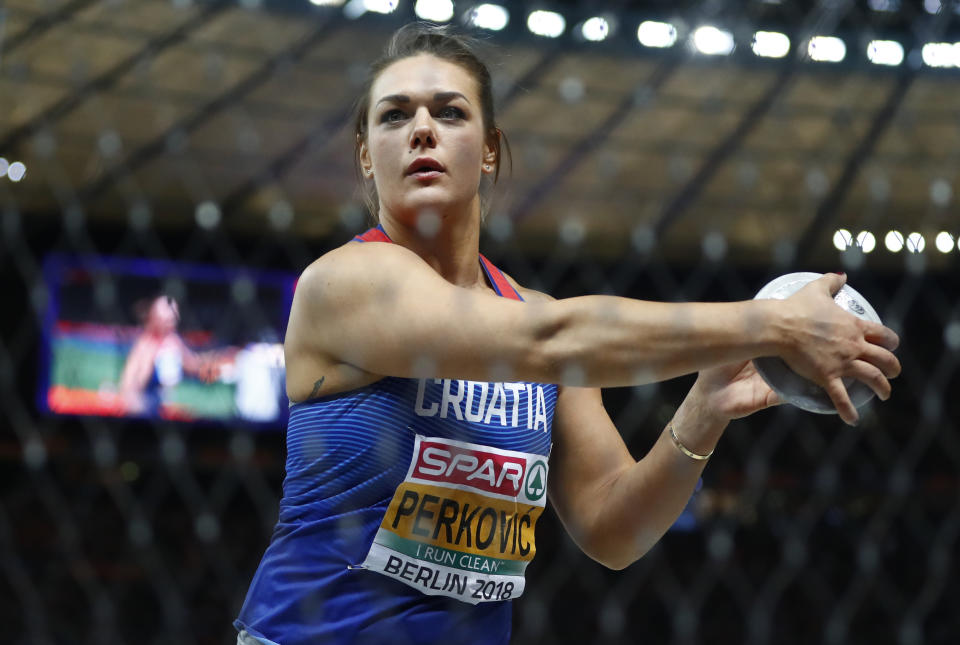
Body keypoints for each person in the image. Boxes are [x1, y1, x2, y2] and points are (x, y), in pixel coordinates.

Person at [234, 23, 900, 645]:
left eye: (451, 111)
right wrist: (769, 324)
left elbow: (613, 527)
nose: (422, 130)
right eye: (395, 114)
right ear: (365, 157)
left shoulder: (530, 311)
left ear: (490, 149)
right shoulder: (347, 283)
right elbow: (542, 341)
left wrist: (705, 409)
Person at [118, 294, 230, 416]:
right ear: (154, 317)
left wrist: (221, 357)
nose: (172, 321)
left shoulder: (173, 341)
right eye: (167, 318)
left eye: (174, 317)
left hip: (164, 407)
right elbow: (130, 385)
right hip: (146, 406)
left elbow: (193, 363)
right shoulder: (146, 345)